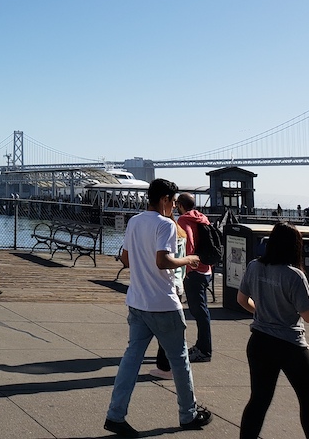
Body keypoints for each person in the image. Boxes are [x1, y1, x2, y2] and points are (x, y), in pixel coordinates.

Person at [104, 178, 212, 437]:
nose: (174, 208)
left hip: (137, 302)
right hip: (163, 303)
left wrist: (144, 264)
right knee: (180, 361)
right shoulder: (165, 225)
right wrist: (189, 259)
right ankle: (188, 413)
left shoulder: (134, 221)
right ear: (164, 199)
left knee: (131, 360)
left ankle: (115, 415)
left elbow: (126, 258)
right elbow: (163, 261)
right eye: (173, 202)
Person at [237, 222, 309, 439]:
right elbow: (308, 316)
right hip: (290, 344)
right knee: (307, 400)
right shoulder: (294, 275)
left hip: (259, 341)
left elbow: (242, 299)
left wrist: (261, 312)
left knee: (259, 400)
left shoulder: (255, 266)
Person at [150, 213, 188, 379]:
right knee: (171, 330)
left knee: (165, 333)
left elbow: (164, 261)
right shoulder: (182, 234)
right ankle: (166, 366)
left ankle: (166, 368)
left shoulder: (166, 233)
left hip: (165, 284)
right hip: (178, 283)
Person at [176, 192, 214, 363]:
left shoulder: (184, 220)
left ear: (180, 205)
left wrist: (186, 264)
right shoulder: (201, 217)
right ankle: (201, 345)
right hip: (207, 269)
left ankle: (204, 350)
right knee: (202, 310)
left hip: (195, 270)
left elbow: (188, 242)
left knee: (199, 312)